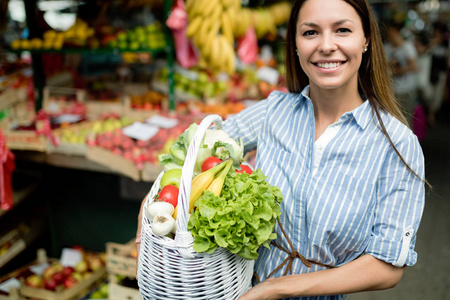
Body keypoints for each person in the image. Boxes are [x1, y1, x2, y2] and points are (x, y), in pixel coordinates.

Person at [136, 0, 426, 299]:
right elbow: (200, 146)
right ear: (296, 44)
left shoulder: (397, 145)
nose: (326, 45)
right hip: (236, 290)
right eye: (310, 32)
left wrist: (275, 289)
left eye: (342, 30)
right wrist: (156, 198)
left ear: (365, 40)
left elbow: (387, 265)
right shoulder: (273, 112)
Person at [384, 19, 419, 127]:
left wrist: (394, 71)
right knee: (394, 119)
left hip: (407, 89)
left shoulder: (407, 47)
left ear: (395, 32)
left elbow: (413, 66)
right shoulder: (387, 47)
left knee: (406, 119)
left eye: (390, 32)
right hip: (392, 89)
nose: (388, 34)